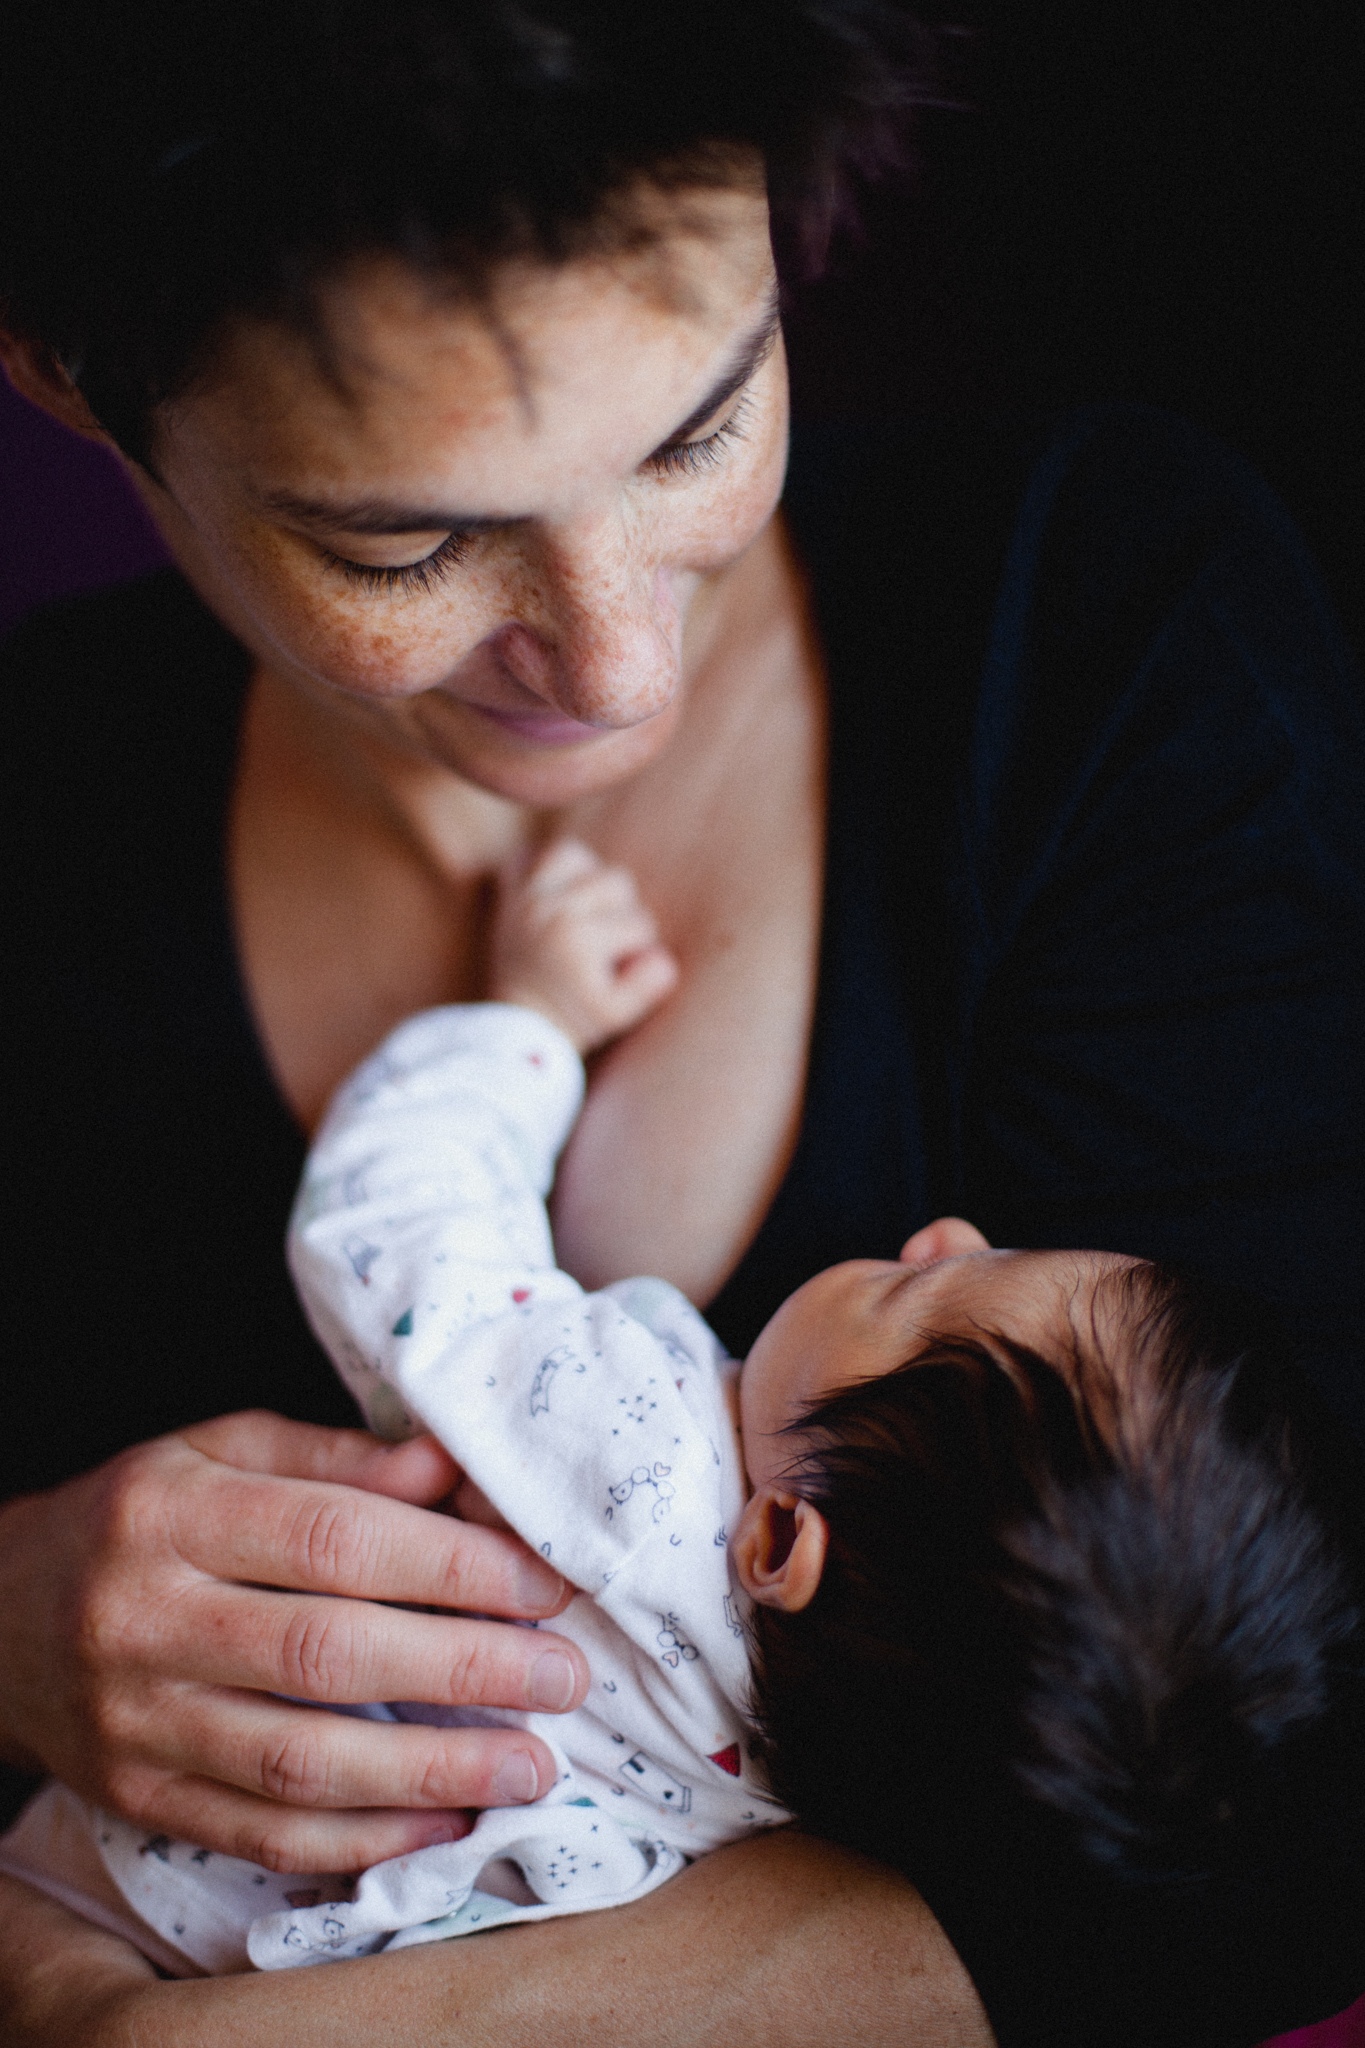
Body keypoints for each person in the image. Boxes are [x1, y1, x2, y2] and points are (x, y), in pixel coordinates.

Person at [2, 2, 1364, 2042]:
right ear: (74, 393)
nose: (619, 669)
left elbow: (1293, 1836)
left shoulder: (1108, 646)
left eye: (700, 422)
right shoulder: (38, 829)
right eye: (411, 536)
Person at [4, 841, 1354, 1981]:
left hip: (112, 1853)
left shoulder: (626, 1455)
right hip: (227, 1951)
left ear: (777, 1539)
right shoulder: (801, 1789)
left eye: (920, 1298)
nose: (941, 1231)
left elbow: (399, 1226)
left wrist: (524, 1023)